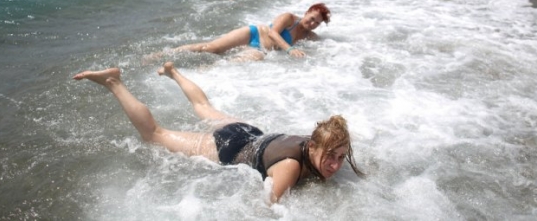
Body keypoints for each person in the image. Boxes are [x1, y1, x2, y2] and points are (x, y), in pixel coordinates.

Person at [73, 62, 363, 203]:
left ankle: (173, 72)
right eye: (330, 157)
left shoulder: (322, 139)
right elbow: (268, 209)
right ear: (312, 146)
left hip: (251, 133)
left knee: (203, 106)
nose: (336, 165)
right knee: (154, 135)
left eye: (340, 156)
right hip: (230, 144)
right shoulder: (289, 167)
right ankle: (113, 81)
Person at [146, 3, 331, 62]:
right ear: (307, 12)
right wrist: (290, 49)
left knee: (235, 63)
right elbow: (274, 33)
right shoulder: (289, 18)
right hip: (254, 34)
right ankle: (163, 54)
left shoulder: (309, 36)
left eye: (317, 22)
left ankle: (203, 72)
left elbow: (327, 46)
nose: (312, 23)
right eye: (312, 17)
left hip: (262, 50)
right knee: (209, 48)